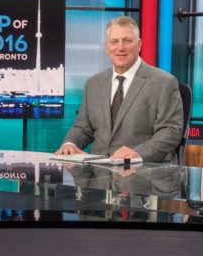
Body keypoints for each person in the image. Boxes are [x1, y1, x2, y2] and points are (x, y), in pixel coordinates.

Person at [55, 16, 183, 163]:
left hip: (143, 172)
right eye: (114, 41)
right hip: (98, 172)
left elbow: (171, 131)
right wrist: (70, 143)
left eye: (127, 41)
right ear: (107, 46)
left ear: (139, 45)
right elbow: (83, 127)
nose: (120, 47)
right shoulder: (93, 83)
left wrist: (137, 153)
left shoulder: (164, 82)